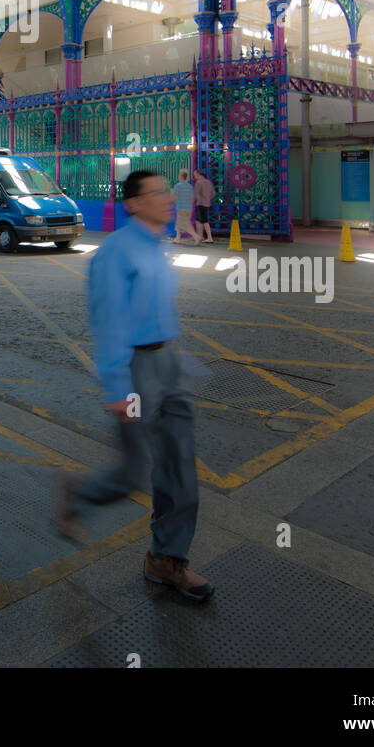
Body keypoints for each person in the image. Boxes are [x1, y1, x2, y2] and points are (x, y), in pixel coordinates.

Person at [54, 170, 213, 602]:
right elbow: (108, 324)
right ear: (133, 204)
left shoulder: (156, 247)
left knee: (180, 467)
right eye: (157, 192)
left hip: (168, 366)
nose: (167, 198)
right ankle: (79, 494)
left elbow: (159, 310)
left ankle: (166, 559)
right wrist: (117, 388)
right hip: (136, 372)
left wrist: (185, 364)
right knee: (133, 473)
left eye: (167, 190)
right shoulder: (114, 254)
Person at [171, 169, 197, 244]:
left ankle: (196, 237)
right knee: (180, 223)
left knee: (185, 224)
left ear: (181, 177)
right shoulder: (190, 186)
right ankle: (177, 238)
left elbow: (173, 197)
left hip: (181, 207)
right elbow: (192, 199)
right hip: (189, 208)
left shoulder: (178, 186)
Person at [193, 168, 215, 244]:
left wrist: (192, 201)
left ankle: (209, 238)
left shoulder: (199, 182)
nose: (194, 176)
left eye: (195, 174)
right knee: (199, 220)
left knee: (204, 221)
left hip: (200, 203)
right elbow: (213, 194)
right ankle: (200, 236)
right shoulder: (209, 182)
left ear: (198, 174)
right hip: (207, 203)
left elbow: (196, 194)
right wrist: (207, 199)